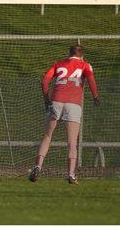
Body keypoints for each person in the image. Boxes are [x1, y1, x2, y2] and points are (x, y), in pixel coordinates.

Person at [28, 45, 99, 185]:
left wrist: (46, 100)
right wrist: (96, 96)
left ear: (69, 54)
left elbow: (44, 81)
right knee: (72, 142)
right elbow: (91, 80)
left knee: (48, 136)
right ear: (81, 56)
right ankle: (71, 175)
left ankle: (37, 166)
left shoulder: (58, 64)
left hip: (56, 101)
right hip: (73, 104)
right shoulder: (85, 65)